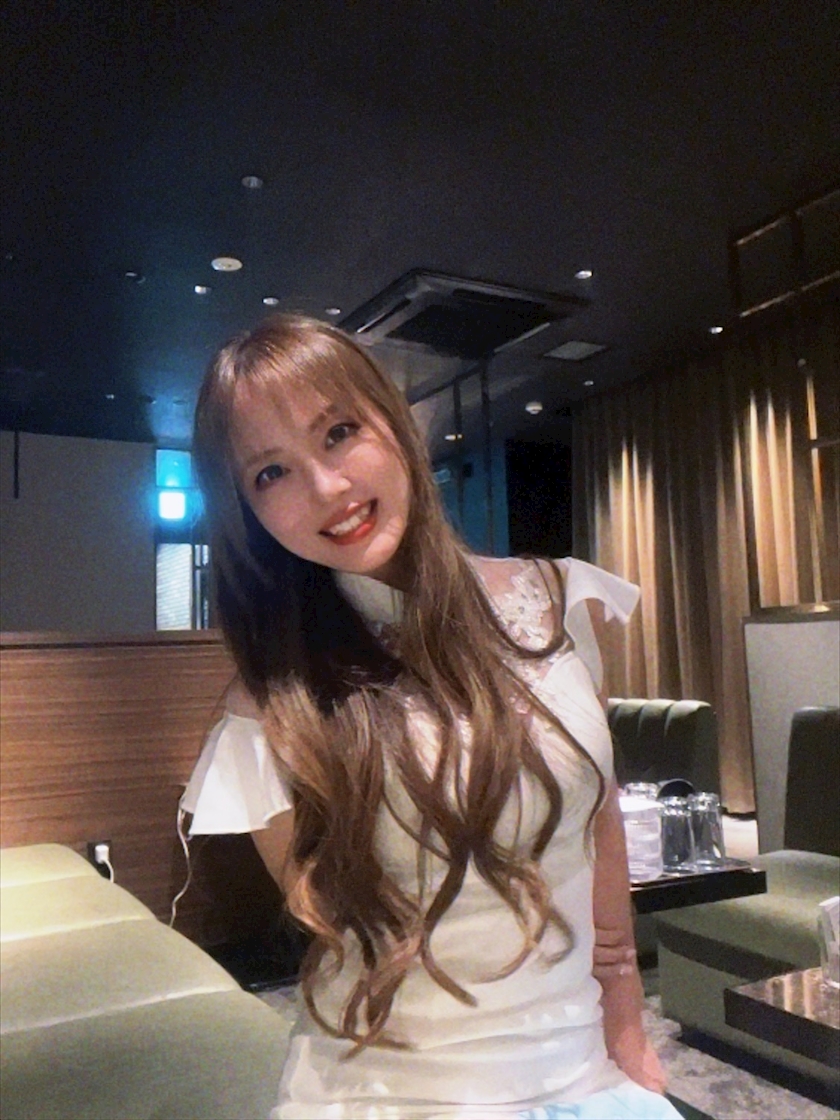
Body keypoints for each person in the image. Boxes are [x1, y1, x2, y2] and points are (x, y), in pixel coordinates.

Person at [181, 313, 682, 1120]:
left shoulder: (554, 600)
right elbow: (347, 940)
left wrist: (624, 1013)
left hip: (583, 1067)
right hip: (393, 1092)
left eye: (339, 432)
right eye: (272, 472)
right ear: (247, 512)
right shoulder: (271, 710)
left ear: (395, 422)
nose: (328, 488)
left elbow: (599, 819)